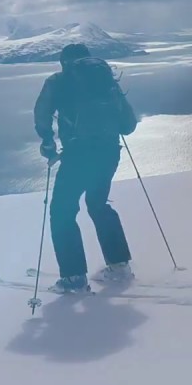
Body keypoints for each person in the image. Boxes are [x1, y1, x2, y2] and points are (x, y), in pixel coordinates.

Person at [33, 43, 139, 293]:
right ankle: (119, 266)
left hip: (78, 155)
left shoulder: (59, 81)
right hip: (109, 154)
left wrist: (47, 142)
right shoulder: (106, 82)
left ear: (64, 62)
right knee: (98, 204)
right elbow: (128, 125)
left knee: (62, 211)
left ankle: (74, 277)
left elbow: (42, 114)